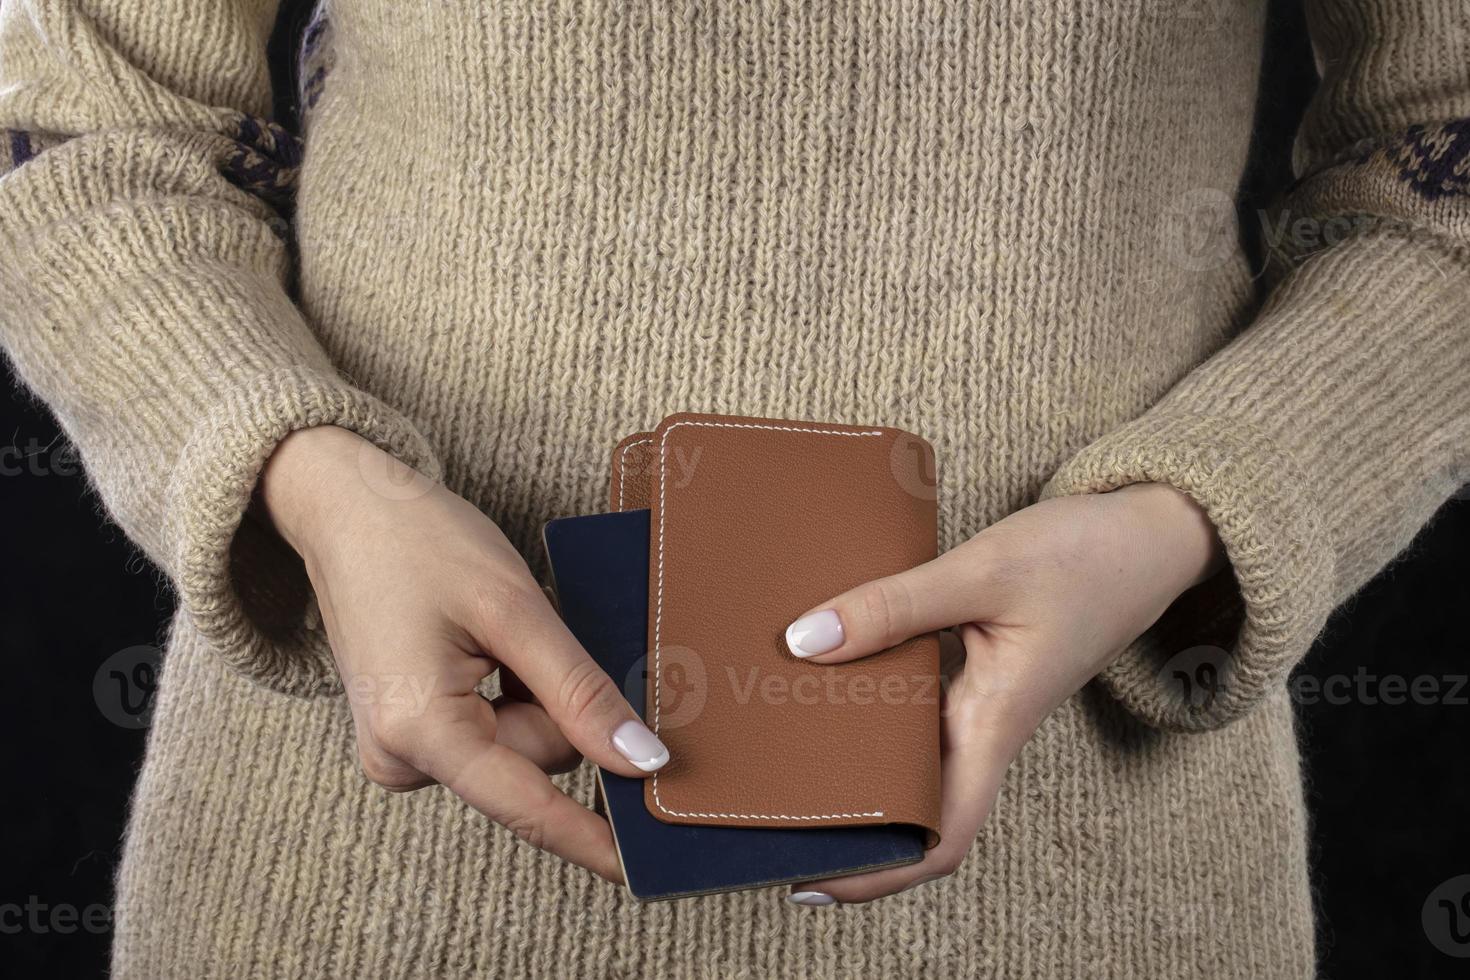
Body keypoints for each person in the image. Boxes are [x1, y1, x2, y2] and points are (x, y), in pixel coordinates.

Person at [1, 0, 1465, 976]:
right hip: (357, 865)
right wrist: (303, 476)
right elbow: (74, 116)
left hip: (1095, 871)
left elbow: (1442, 152)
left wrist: (1199, 509)